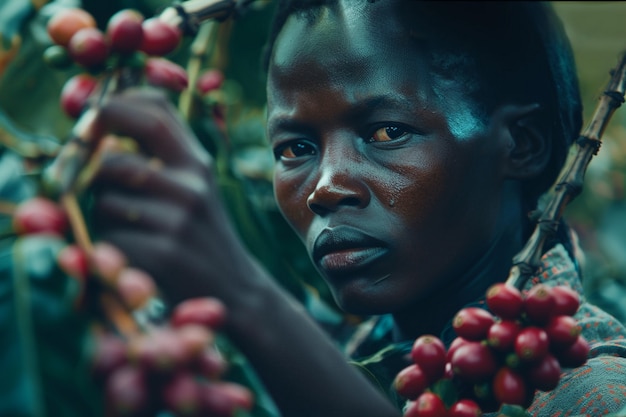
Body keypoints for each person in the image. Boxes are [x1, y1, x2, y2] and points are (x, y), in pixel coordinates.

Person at [88, 1, 626, 416]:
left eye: (387, 132)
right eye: (295, 149)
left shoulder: (593, 393)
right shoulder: (363, 347)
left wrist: (243, 295)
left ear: (521, 144)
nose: (324, 187)